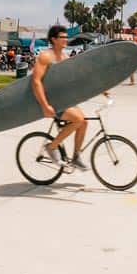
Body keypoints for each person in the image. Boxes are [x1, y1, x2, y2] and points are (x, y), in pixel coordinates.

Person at [31, 25, 92, 172]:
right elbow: (36, 81)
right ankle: (51, 147)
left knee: (84, 123)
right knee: (78, 119)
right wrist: (45, 106)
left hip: (64, 100)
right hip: (52, 101)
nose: (66, 40)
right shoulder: (46, 56)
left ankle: (76, 157)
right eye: (62, 37)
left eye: (66, 37)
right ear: (53, 39)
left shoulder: (64, 57)